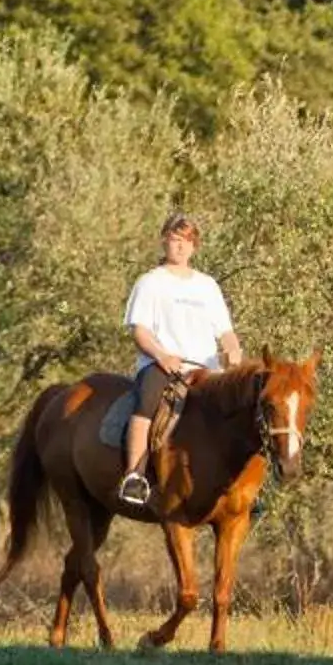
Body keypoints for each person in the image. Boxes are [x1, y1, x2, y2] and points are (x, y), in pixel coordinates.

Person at [119, 212, 244, 508]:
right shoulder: (150, 282)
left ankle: (243, 486)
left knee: (241, 411)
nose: (180, 247)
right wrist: (162, 355)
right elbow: (140, 331)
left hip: (206, 369)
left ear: (195, 246)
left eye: (187, 241)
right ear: (165, 241)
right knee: (147, 403)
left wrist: (233, 351)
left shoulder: (207, 286)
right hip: (163, 365)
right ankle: (134, 475)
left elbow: (226, 331)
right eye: (175, 240)